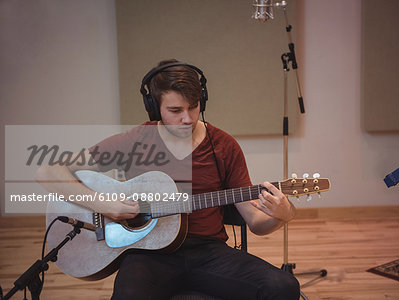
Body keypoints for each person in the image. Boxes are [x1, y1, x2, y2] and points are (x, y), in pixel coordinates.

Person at [37, 59, 300, 299]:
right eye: (175, 110)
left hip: (208, 252)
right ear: (155, 108)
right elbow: (48, 172)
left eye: (193, 107)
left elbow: (255, 222)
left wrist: (283, 214)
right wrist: (103, 205)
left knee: (283, 286)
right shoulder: (136, 141)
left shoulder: (223, 146)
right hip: (147, 255)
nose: (187, 118)